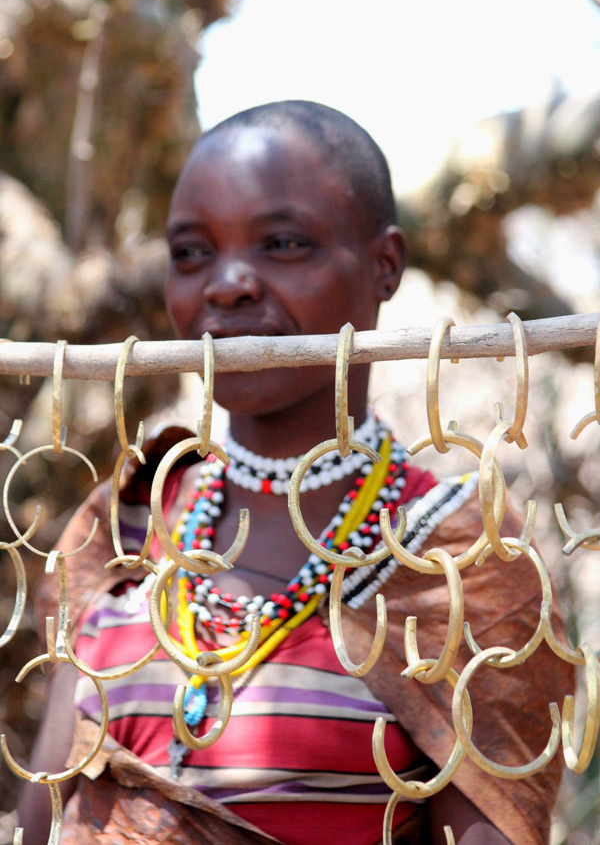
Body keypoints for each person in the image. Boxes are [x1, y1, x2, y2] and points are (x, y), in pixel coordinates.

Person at [21, 101, 572, 845]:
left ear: (385, 266)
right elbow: (39, 823)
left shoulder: (464, 562)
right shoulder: (125, 523)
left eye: (281, 244)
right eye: (191, 253)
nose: (228, 285)